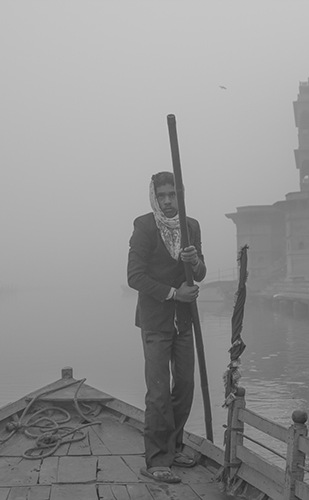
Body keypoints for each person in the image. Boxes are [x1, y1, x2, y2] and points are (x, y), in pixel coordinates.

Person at [127, 171, 206, 484]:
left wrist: (195, 260)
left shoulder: (191, 226)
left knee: (184, 386)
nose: (168, 201)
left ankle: (173, 448)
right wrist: (174, 293)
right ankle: (157, 460)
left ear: (180, 194)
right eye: (162, 196)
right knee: (158, 392)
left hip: (184, 322)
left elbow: (199, 273)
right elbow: (135, 277)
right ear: (154, 197)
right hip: (156, 322)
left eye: (173, 194)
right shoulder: (144, 226)